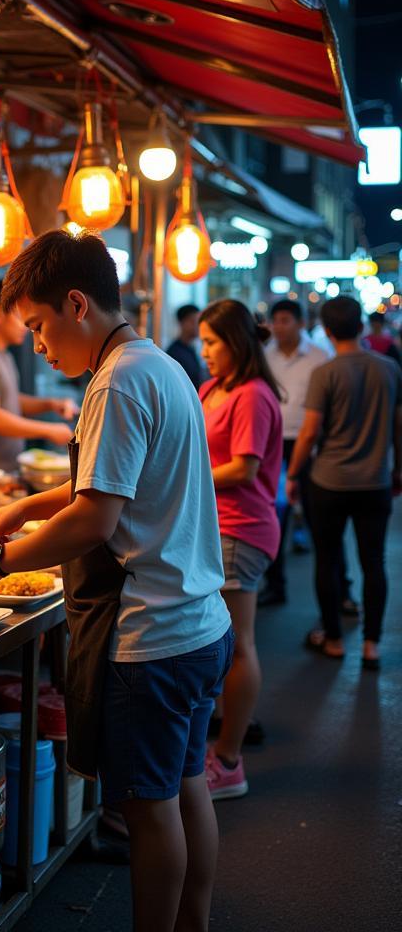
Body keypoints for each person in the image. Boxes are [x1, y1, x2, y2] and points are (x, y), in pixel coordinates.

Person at [0, 230, 231, 932]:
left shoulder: (116, 380)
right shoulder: (156, 364)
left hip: (150, 640)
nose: (38, 346)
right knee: (187, 789)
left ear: (76, 304)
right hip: (198, 625)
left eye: (39, 327)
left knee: (149, 808)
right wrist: (25, 506)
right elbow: (103, 484)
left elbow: (95, 520)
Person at [287, 296, 402, 670]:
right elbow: (399, 427)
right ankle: (371, 645)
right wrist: (397, 468)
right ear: (361, 326)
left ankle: (333, 638)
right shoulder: (389, 369)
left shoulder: (326, 372)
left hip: (329, 482)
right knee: (375, 562)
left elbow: (308, 433)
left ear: (329, 330)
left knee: (328, 559)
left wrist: (292, 475)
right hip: (375, 481)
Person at [198, 300, 283, 801]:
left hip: (241, 529)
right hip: (215, 528)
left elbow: (244, 469)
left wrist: (183, 481)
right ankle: (216, 743)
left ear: (237, 342)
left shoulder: (252, 395)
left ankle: (229, 761)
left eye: (212, 342)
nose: (205, 352)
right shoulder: (213, 388)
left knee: (239, 643)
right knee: (219, 641)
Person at [0, 279, 76, 475]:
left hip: (3, 470)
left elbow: (10, 400)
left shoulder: (3, 355)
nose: (26, 327)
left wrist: (50, 404)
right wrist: (48, 430)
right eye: (20, 318)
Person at [260, 299, 328, 605]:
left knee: (319, 520)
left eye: (286, 320)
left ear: (300, 323)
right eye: (276, 320)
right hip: (274, 443)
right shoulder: (266, 355)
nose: (279, 326)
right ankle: (276, 585)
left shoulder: (319, 357)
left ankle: (338, 589)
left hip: (311, 444)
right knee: (275, 517)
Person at [166, 304, 203, 388]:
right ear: (181, 323)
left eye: (199, 322)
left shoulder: (191, 349)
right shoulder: (174, 353)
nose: (198, 326)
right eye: (193, 321)